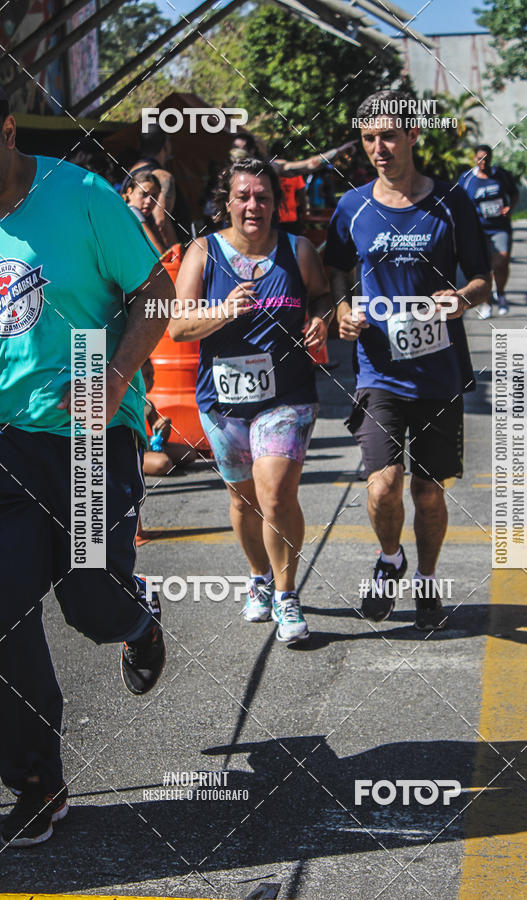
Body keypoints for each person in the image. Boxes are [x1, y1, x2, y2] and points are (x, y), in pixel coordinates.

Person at [0, 89, 174, 847]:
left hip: (92, 432)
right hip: (9, 441)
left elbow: (157, 295)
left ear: (6, 129)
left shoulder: (79, 195)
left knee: (89, 601)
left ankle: (136, 621)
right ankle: (37, 780)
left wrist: (111, 378)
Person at [325, 89, 491, 631]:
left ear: (413, 135)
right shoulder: (352, 207)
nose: (379, 147)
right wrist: (343, 310)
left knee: (429, 492)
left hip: (438, 369)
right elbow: (335, 273)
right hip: (379, 371)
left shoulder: (451, 202)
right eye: (370, 138)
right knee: (382, 486)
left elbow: (483, 279)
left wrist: (461, 299)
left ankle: (425, 579)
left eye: (389, 136)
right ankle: (390, 557)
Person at [171, 158, 333, 643]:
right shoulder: (204, 251)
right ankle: (259, 579)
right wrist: (222, 311)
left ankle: (287, 596)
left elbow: (322, 296)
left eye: (263, 197)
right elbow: (178, 326)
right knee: (242, 501)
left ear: (276, 202)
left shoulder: (298, 250)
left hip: (288, 396)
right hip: (222, 400)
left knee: (276, 492)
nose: (253, 206)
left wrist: (321, 319)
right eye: (243, 196)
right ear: (228, 202)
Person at [458, 143, 519, 318]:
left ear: (490, 159)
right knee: (484, 267)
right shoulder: (467, 179)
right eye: (479, 159)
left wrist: (510, 208)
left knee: (501, 263)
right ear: (474, 159)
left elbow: (514, 194)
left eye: (486, 159)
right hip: (478, 230)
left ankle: (500, 293)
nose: (482, 162)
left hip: (500, 226)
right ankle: (486, 303)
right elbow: (459, 203)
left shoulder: (501, 176)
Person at [141, 358, 199, 475]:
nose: (152, 381)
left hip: (148, 447)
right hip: (133, 450)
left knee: (190, 453)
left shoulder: (148, 404)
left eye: (153, 376)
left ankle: (148, 461)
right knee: (163, 464)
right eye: (147, 376)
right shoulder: (124, 404)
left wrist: (165, 428)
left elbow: (160, 441)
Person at [230, 132, 357, 176]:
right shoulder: (226, 174)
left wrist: (338, 151)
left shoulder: (269, 168)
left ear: (252, 151)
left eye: (242, 149)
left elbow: (308, 165)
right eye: (234, 148)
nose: (237, 154)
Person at [123, 172, 168, 255]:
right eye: (144, 194)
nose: (149, 201)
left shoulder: (147, 217)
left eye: (154, 196)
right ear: (129, 192)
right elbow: (160, 253)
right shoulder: (133, 211)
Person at [270, 141, 307, 235]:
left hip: (272, 218)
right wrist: (304, 214)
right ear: (284, 154)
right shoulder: (293, 173)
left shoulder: (267, 172)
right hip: (291, 218)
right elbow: (302, 196)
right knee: (292, 246)